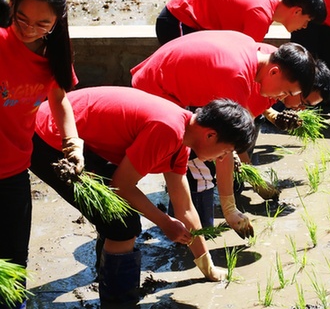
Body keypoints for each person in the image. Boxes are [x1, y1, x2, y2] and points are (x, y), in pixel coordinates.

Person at [30, 86, 256, 307]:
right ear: (210, 135)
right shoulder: (168, 130)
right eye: (225, 152)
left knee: (116, 216)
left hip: (82, 141)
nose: (222, 157)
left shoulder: (182, 137)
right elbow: (121, 186)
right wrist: (165, 222)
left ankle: (107, 278)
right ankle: (119, 302)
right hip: (49, 136)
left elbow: (185, 207)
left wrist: (208, 268)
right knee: (123, 224)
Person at [131, 29, 316, 236]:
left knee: (193, 162)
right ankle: (184, 235)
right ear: (274, 72)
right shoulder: (235, 77)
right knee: (195, 166)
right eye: (286, 92)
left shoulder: (256, 52)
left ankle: (185, 228)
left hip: (167, 85)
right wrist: (230, 209)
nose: (282, 98)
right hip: (155, 93)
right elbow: (224, 149)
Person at [0, 0, 84, 309]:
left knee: (13, 267)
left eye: (42, 24)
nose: (29, 30)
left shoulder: (52, 57)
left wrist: (72, 142)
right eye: (21, 19)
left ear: (58, 19)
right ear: (11, 5)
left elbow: (59, 98)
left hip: (13, 172)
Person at [155, 0, 327, 45]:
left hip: (191, 25)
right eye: (307, 21)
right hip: (177, 22)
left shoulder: (267, 3)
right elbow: (246, 64)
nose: (304, 26)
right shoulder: (260, 15)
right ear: (296, 11)